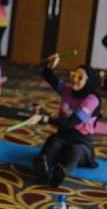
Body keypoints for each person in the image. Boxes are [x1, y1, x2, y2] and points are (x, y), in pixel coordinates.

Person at [30, 54, 102, 187]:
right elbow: (49, 77)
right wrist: (50, 66)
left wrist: (44, 118)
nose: (74, 79)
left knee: (75, 151)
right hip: (63, 135)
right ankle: (43, 170)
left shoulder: (92, 99)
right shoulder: (67, 89)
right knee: (53, 144)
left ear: (89, 81)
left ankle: (61, 173)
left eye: (80, 78)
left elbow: (71, 123)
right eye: (73, 75)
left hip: (81, 141)